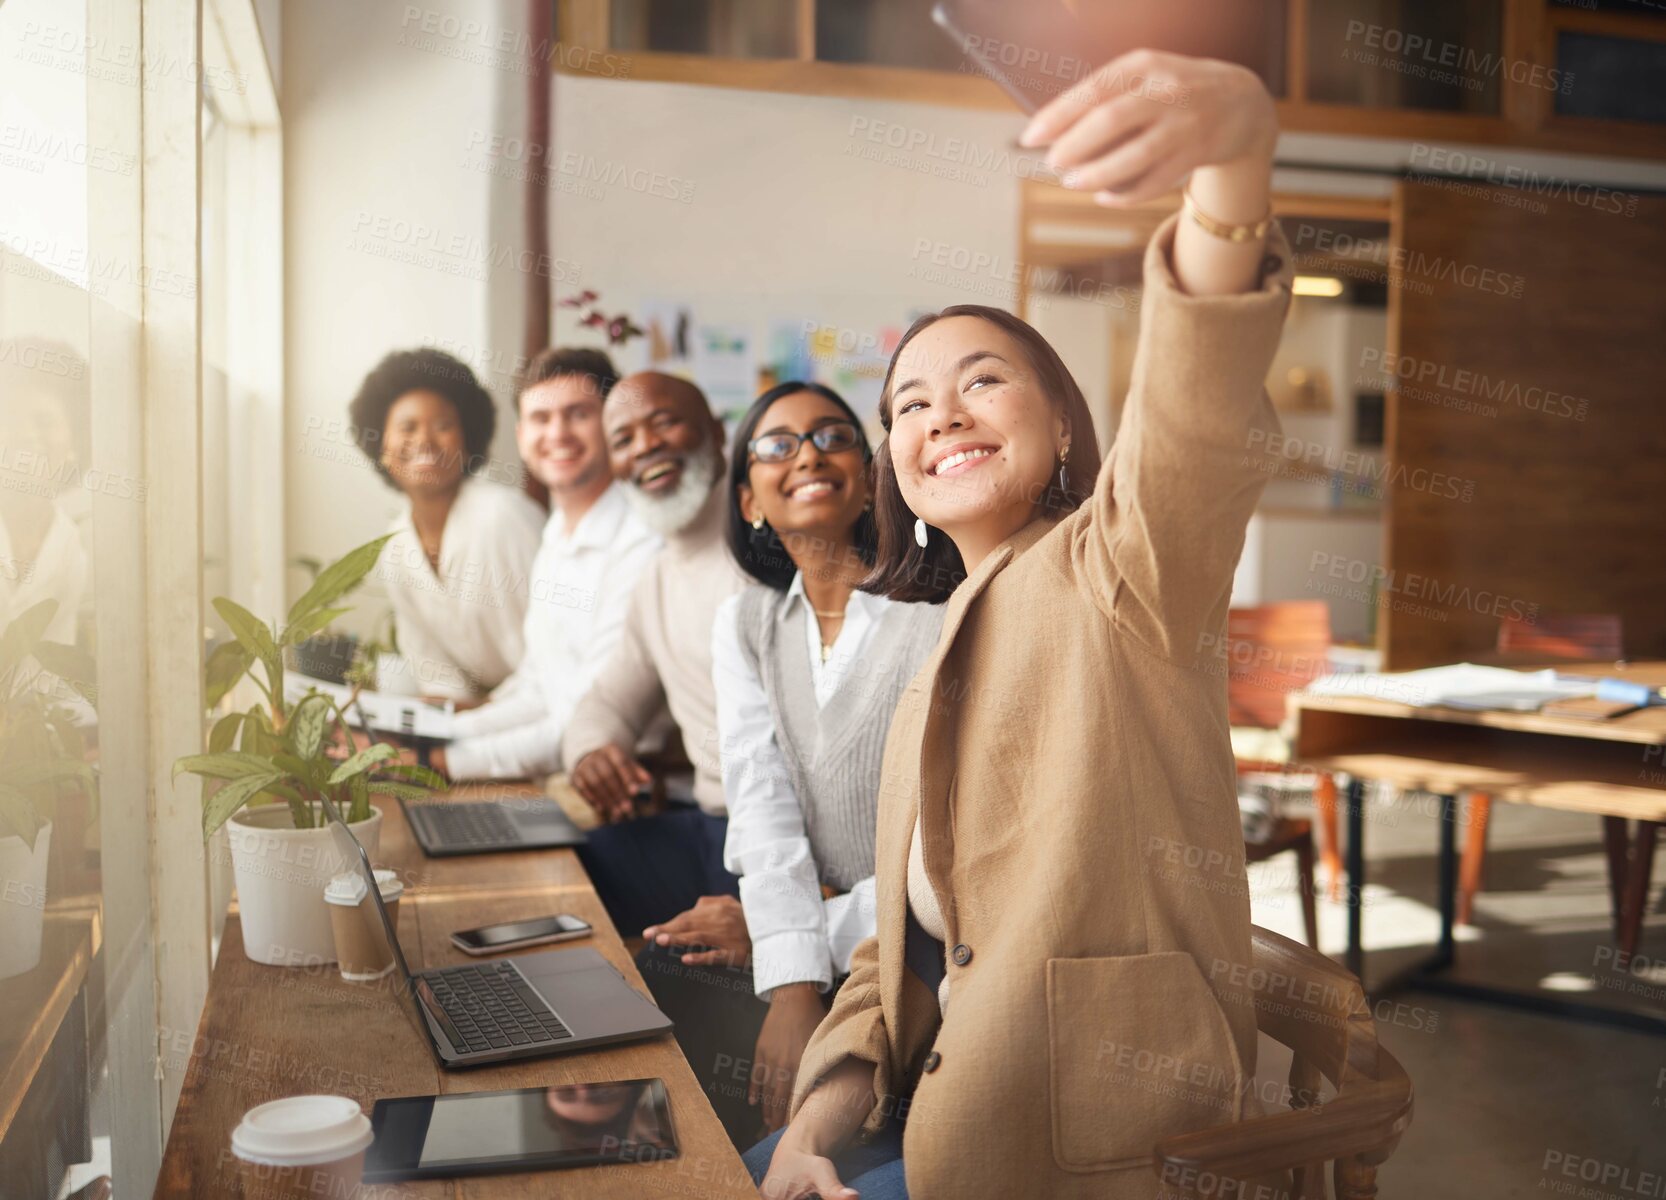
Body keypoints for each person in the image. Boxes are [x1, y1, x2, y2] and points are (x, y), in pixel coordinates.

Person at [753, 51, 1293, 1200]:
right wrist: (815, 1123)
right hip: (941, 1109)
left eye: (983, 381)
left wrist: (1235, 162)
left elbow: (1193, 406)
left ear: (1061, 428)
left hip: (1091, 1151)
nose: (937, 412)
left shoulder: (1125, 567)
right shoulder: (935, 648)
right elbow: (896, 952)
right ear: (893, 469)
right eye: (905, 403)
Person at [638, 382, 944, 1146]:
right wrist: (793, 977)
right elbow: (761, 803)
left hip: (921, 945)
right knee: (664, 972)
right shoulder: (747, 624)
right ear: (748, 501)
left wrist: (798, 953)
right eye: (776, 444)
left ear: (872, 473)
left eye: (833, 436)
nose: (807, 453)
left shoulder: (937, 618)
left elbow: (948, 853)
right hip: (822, 932)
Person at [560, 371, 745, 937]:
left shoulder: (772, 551)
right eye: (623, 439)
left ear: (715, 433)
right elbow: (607, 702)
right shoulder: (657, 577)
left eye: (664, 422)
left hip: (784, 850)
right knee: (558, 882)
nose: (645, 447)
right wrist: (591, 752)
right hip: (710, 832)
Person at [433, 348, 660, 781]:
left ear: (614, 424)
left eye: (578, 414)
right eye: (541, 418)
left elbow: (584, 723)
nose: (557, 433)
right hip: (557, 780)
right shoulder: (557, 533)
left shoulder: (641, 541)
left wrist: (439, 762)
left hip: (636, 795)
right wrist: (439, 734)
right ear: (521, 435)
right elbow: (539, 688)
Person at [349, 347, 543, 701]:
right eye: (407, 427)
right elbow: (434, 671)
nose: (424, 440)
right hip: (478, 718)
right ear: (382, 446)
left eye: (443, 426)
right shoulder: (394, 547)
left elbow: (556, 647)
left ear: (468, 443)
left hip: (551, 705)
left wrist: (485, 709)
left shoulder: (504, 516)